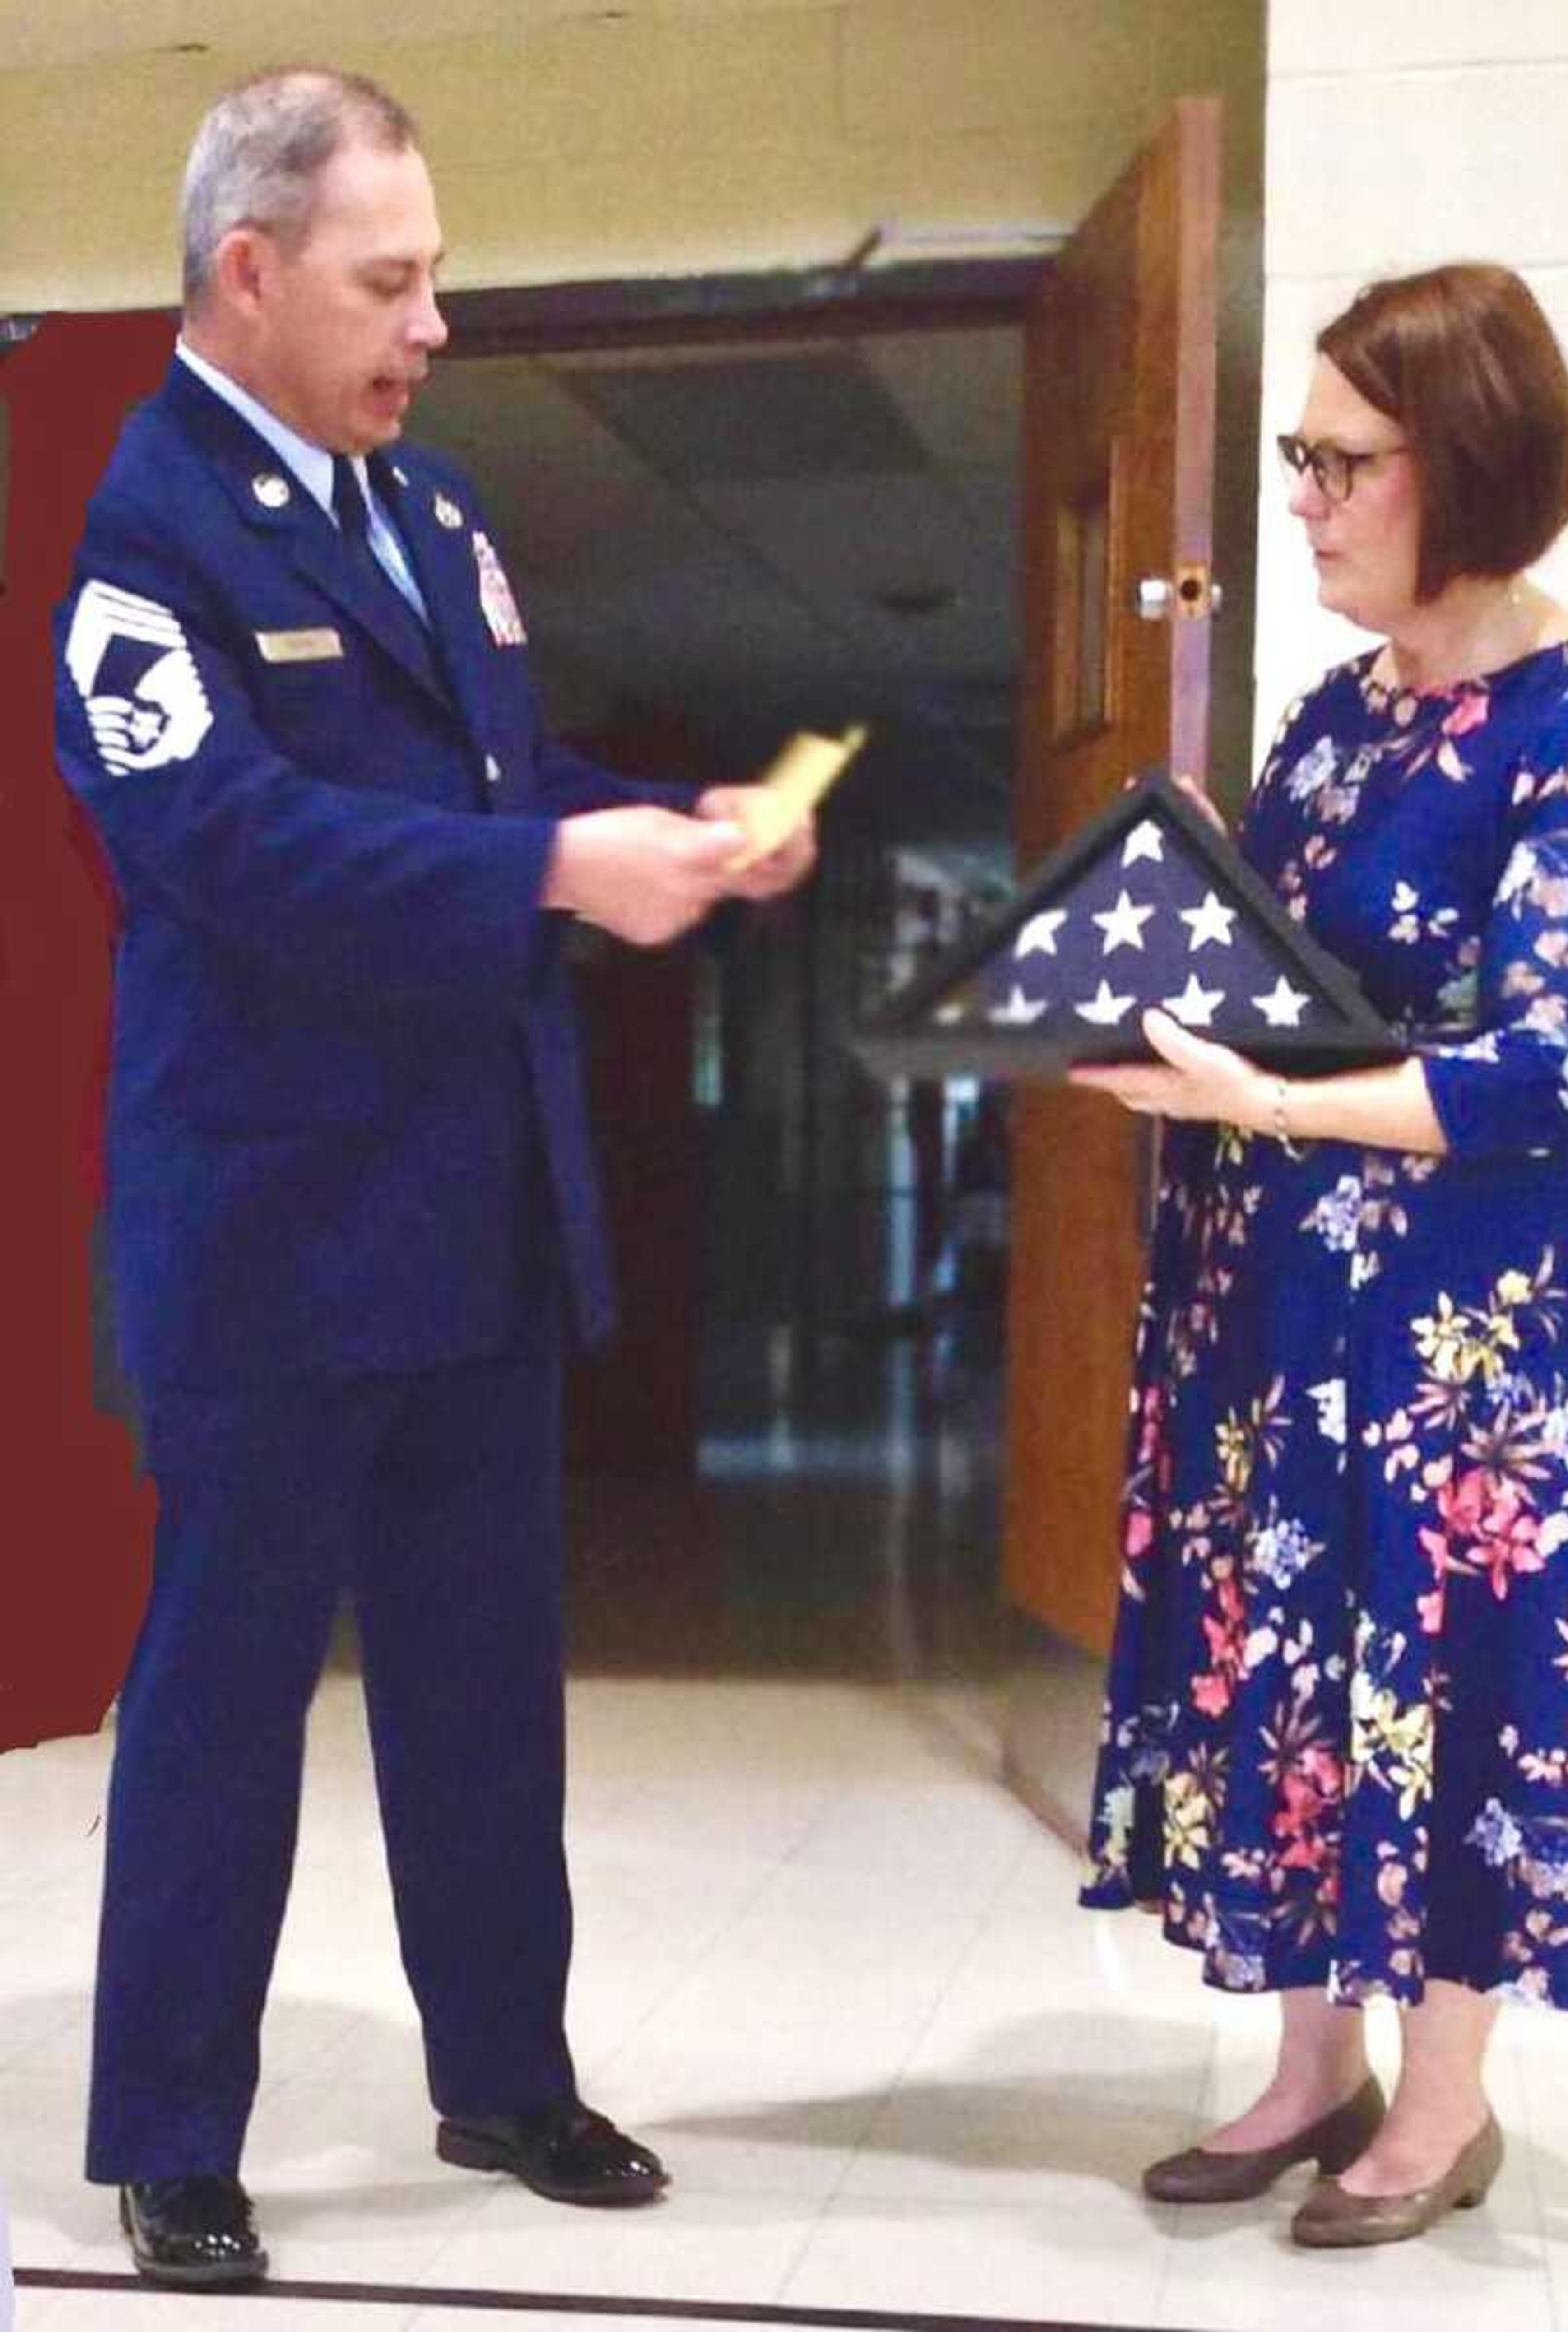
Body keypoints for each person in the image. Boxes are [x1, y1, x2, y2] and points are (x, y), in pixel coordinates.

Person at [53, 67, 814, 2290]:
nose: (433, 326)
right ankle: (173, 2132)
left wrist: (667, 815)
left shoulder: (430, 508)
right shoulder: (141, 542)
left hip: (476, 1208)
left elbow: (498, 780)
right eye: (393, 284)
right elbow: (231, 847)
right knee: (225, 1698)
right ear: (251, 275)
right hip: (278, 1231)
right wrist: (553, 865)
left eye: (439, 280)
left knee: (488, 1685)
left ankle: (506, 2071)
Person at [1072, 263, 1568, 2249]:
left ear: (1468, 464)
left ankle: (1441, 2101)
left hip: (1474, 1340)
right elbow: (1281, 977)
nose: (1308, 499)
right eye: (1300, 456)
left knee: (1451, 1687)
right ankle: (1308, 2060)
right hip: (1296, 1295)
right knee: (1308, 1671)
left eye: (1342, 461)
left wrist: (1262, 1101)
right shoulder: (1342, 717)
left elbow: (1563, 1060)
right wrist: (1138, 1009)